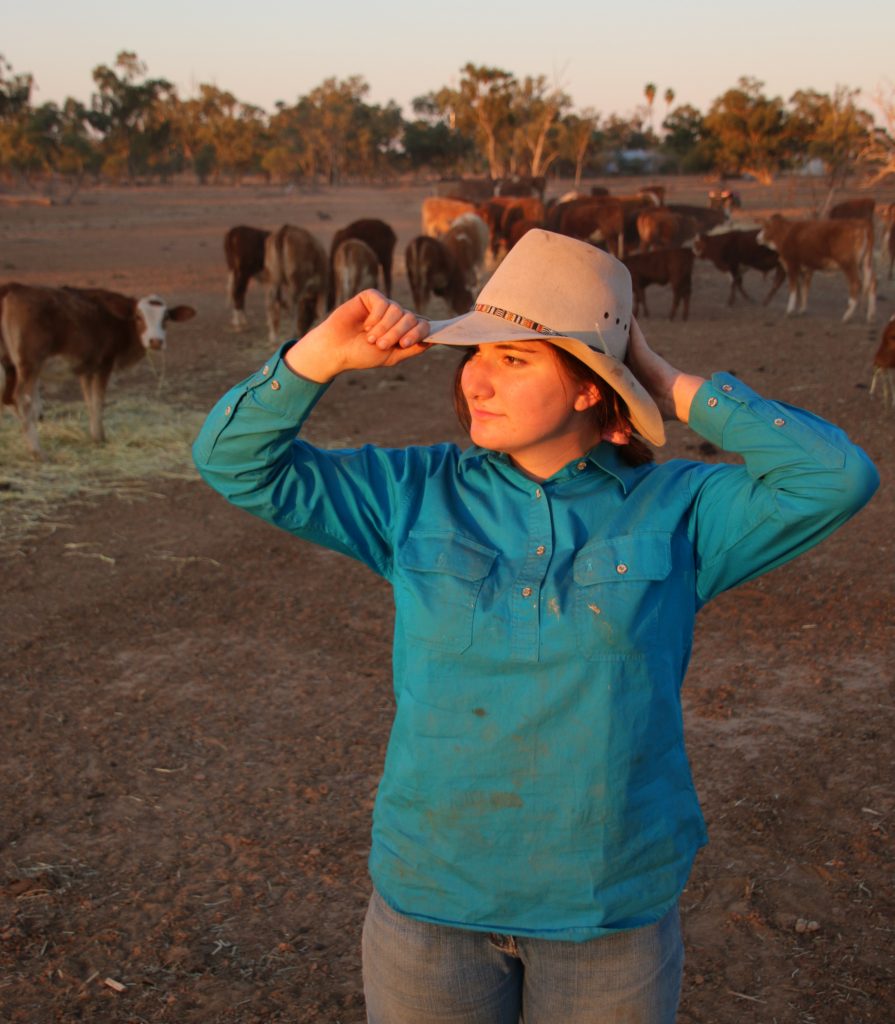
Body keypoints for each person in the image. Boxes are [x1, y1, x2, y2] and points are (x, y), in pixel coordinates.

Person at [193, 229, 878, 1024]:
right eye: (475, 353)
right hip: (432, 902)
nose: (478, 377)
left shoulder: (684, 510)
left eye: (514, 358)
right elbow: (234, 462)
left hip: (607, 907)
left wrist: (663, 380)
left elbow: (836, 478)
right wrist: (317, 357)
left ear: (591, 387)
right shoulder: (410, 492)